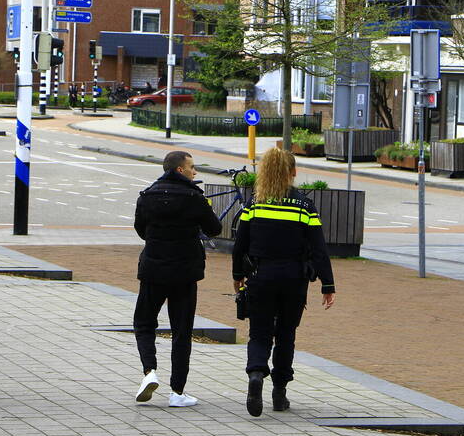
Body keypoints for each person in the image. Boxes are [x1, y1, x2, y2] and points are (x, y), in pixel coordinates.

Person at [232, 148, 335, 417]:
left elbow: (239, 245)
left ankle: (256, 374)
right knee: (286, 334)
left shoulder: (255, 205)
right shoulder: (304, 206)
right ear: (294, 173)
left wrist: (237, 276)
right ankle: (279, 393)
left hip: (261, 276)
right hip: (293, 279)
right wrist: (328, 285)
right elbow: (319, 249)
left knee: (260, 332)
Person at [133, 151, 221, 407]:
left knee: (144, 323)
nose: (195, 173)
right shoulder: (195, 197)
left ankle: (149, 371)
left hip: (153, 269)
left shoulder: (147, 195)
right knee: (182, 331)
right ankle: (177, 392)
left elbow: (141, 229)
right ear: (181, 170)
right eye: (192, 168)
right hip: (184, 272)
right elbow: (214, 229)